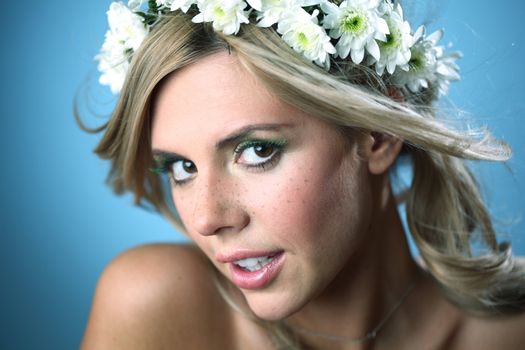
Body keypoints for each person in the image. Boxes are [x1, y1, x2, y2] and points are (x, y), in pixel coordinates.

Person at [79, 1, 525, 349]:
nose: (206, 219)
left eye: (256, 151)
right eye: (183, 167)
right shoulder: (155, 307)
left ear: (379, 135)